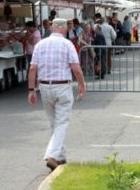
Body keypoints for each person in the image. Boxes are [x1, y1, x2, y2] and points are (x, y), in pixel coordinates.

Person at [27, 18, 86, 172]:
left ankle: (60, 156)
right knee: (62, 122)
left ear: (52, 28)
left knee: (54, 122)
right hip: (62, 86)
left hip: (45, 86)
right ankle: (52, 155)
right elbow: (76, 68)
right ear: (65, 29)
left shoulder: (40, 44)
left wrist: (31, 90)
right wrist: (81, 85)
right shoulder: (67, 44)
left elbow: (33, 68)